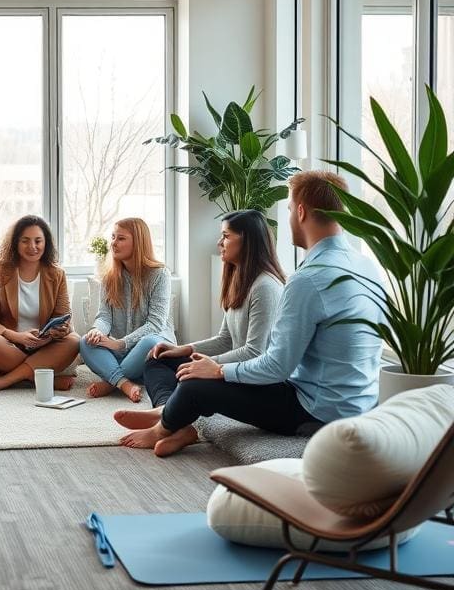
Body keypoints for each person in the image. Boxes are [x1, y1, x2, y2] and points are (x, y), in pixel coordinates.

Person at [117, 170, 384, 457]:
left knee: (197, 384)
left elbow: (276, 366)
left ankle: (165, 425)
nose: (290, 217)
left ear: (302, 212)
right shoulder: (366, 266)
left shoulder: (307, 279)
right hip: (357, 404)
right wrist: (199, 357)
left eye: (291, 210)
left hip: (315, 412)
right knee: (174, 365)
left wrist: (218, 370)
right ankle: (172, 414)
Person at [115, 210, 285, 447]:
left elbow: (255, 352)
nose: (219, 242)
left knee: (193, 381)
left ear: (247, 240)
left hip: (250, 376)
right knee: (157, 358)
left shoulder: (265, 287)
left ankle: (164, 425)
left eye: (225, 236)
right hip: (228, 367)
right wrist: (182, 349)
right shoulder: (240, 280)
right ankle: (174, 420)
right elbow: (226, 339)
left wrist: (209, 366)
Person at [0, 215, 81, 395]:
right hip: (8, 343)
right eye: (25, 241)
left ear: (46, 243)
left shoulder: (57, 274)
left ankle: (5, 381)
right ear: (15, 243)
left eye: (38, 241)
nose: (33, 247)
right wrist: (16, 336)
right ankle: (44, 378)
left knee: (75, 341)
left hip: (44, 345)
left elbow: (63, 318)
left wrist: (57, 331)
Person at [79, 218, 176, 403]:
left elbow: (155, 325)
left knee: (150, 342)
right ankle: (125, 383)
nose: (113, 243)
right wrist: (97, 330)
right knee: (85, 342)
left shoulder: (160, 274)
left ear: (138, 242)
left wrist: (121, 343)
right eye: (113, 237)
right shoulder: (110, 277)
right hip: (124, 352)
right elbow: (104, 316)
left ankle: (111, 382)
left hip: (152, 349)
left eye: (121, 238)